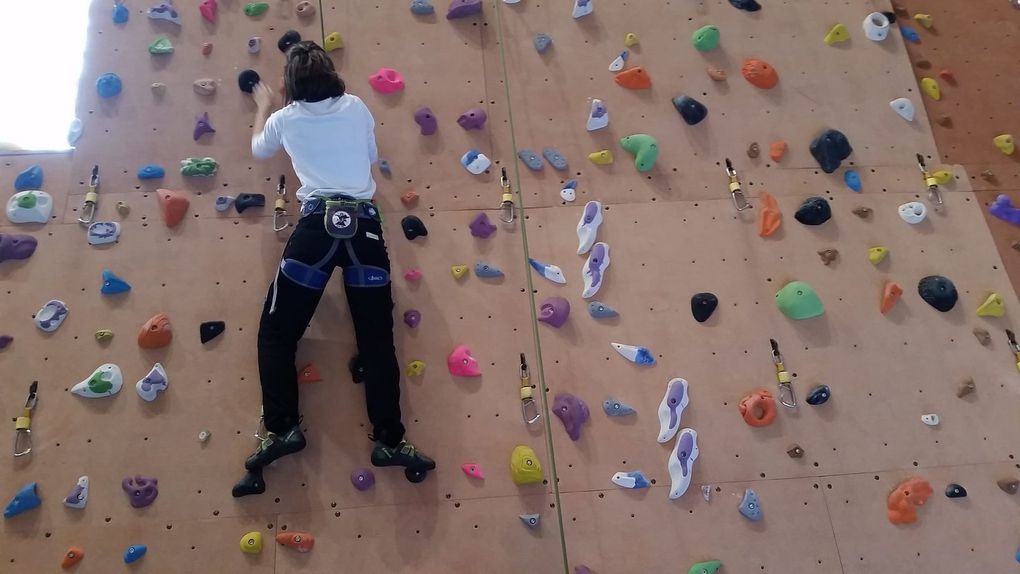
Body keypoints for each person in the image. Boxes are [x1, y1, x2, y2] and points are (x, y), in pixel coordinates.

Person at [232, 41, 434, 497]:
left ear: (294, 85)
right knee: (377, 342)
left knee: (277, 333)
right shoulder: (357, 107)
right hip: (364, 231)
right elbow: (366, 158)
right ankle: (390, 441)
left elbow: (259, 149)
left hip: (316, 233)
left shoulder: (284, 118)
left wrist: (264, 104)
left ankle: (282, 427)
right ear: (330, 75)